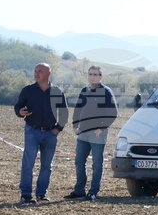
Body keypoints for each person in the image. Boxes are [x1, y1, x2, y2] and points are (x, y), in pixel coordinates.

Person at [13, 63, 69, 204]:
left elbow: (64, 112)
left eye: (40, 71)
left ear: (48, 73)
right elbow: (18, 106)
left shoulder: (57, 91)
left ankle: (41, 194)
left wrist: (58, 129)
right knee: (28, 163)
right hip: (32, 131)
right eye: (35, 71)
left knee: (47, 166)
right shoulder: (28, 90)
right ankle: (26, 195)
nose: (36, 74)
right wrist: (20, 112)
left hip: (50, 133)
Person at [66, 66, 118, 201]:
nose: (93, 76)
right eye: (90, 74)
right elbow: (78, 109)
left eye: (96, 74)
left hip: (97, 133)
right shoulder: (84, 91)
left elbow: (113, 113)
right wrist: (75, 126)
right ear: (87, 76)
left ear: (101, 76)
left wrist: (102, 127)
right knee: (79, 162)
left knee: (97, 163)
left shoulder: (106, 92)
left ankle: (93, 192)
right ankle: (79, 190)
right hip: (83, 132)